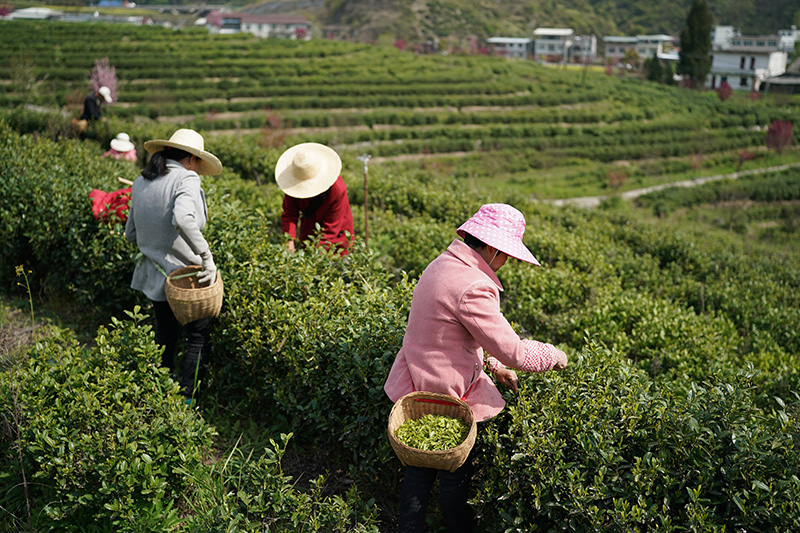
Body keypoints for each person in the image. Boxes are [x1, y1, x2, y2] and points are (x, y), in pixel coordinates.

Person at [384, 203, 569, 533]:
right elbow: (514, 350)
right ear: (494, 248)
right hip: (446, 395)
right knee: (453, 480)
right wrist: (552, 355)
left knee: (418, 471)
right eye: (507, 255)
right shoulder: (474, 285)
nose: (507, 262)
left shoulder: (442, 263)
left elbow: (457, 332)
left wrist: (493, 364)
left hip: (417, 383)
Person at [124, 128, 222, 406]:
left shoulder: (141, 181)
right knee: (198, 337)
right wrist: (207, 257)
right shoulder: (186, 178)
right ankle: (189, 401)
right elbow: (182, 217)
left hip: (155, 277)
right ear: (191, 159)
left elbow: (130, 233)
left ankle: (159, 395)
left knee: (165, 334)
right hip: (187, 279)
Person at [275, 142, 354, 256]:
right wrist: (289, 240)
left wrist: (316, 257)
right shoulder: (292, 185)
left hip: (337, 241)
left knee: (338, 269)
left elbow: (331, 229)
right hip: (309, 232)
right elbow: (290, 214)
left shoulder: (337, 190)